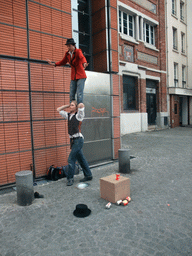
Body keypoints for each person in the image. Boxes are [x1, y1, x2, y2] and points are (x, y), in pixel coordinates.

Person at [57, 100, 92, 186]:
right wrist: (67, 105)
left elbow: (81, 106)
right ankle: (88, 175)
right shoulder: (68, 115)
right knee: (81, 159)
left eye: (72, 105)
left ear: (76, 107)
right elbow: (58, 109)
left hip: (78, 140)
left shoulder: (79, 116)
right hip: (73, 141)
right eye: (70, 105)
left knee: (71, 159)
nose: (70, 107)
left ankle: (70, 178)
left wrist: (79, 103)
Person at [48, 38, 88, 104]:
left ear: (73, 46)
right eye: (67, 46)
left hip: (81, 76)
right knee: (71, 94)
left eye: (69, 46)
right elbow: (63, 62)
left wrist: (84, 63)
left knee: (79, 94)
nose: (68, 47)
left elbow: (82, 57)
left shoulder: (78, 51)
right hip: (73, 76)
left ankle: (80, 110)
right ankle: (72, 109)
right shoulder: (67, 54)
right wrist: (54, 64)